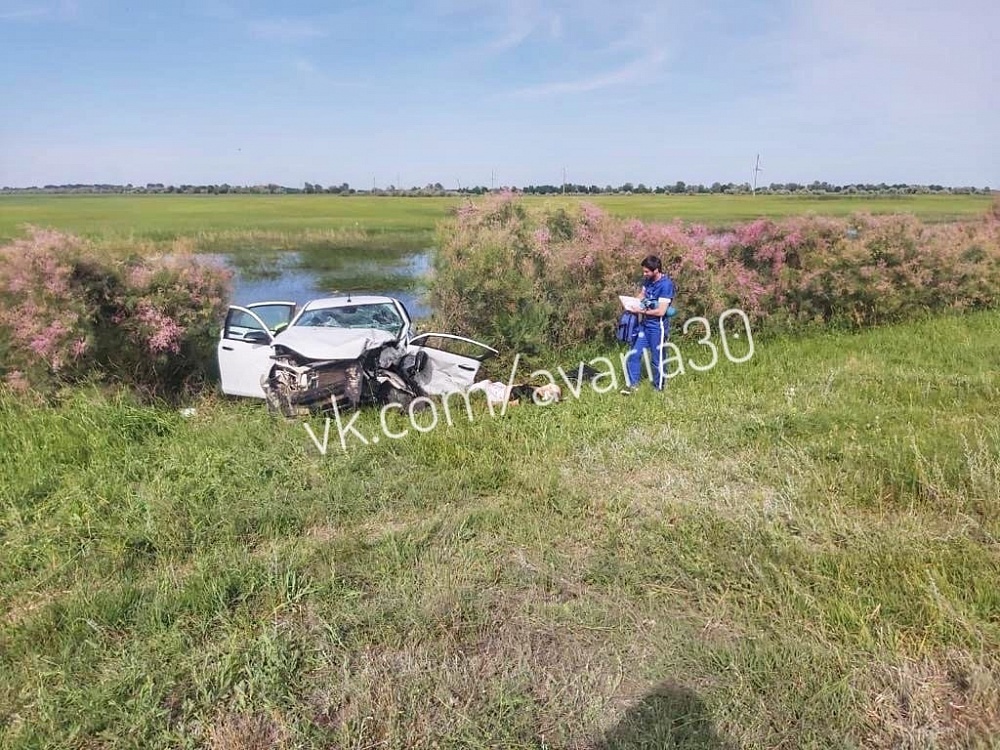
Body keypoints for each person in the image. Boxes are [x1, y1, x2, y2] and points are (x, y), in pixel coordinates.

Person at [622, 255, 675, 393]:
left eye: (647, 272)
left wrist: (641, 311)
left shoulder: (666, 285)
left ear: (656, 270)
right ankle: (633, 386)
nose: (644, 274)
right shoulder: (647, 280)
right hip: (644, 326)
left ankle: (659, 388)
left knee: (657, 359)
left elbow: (661, 311)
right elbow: (642, 295)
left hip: (657, 327)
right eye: (644, 271)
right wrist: (631, 302)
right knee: (634, 354)